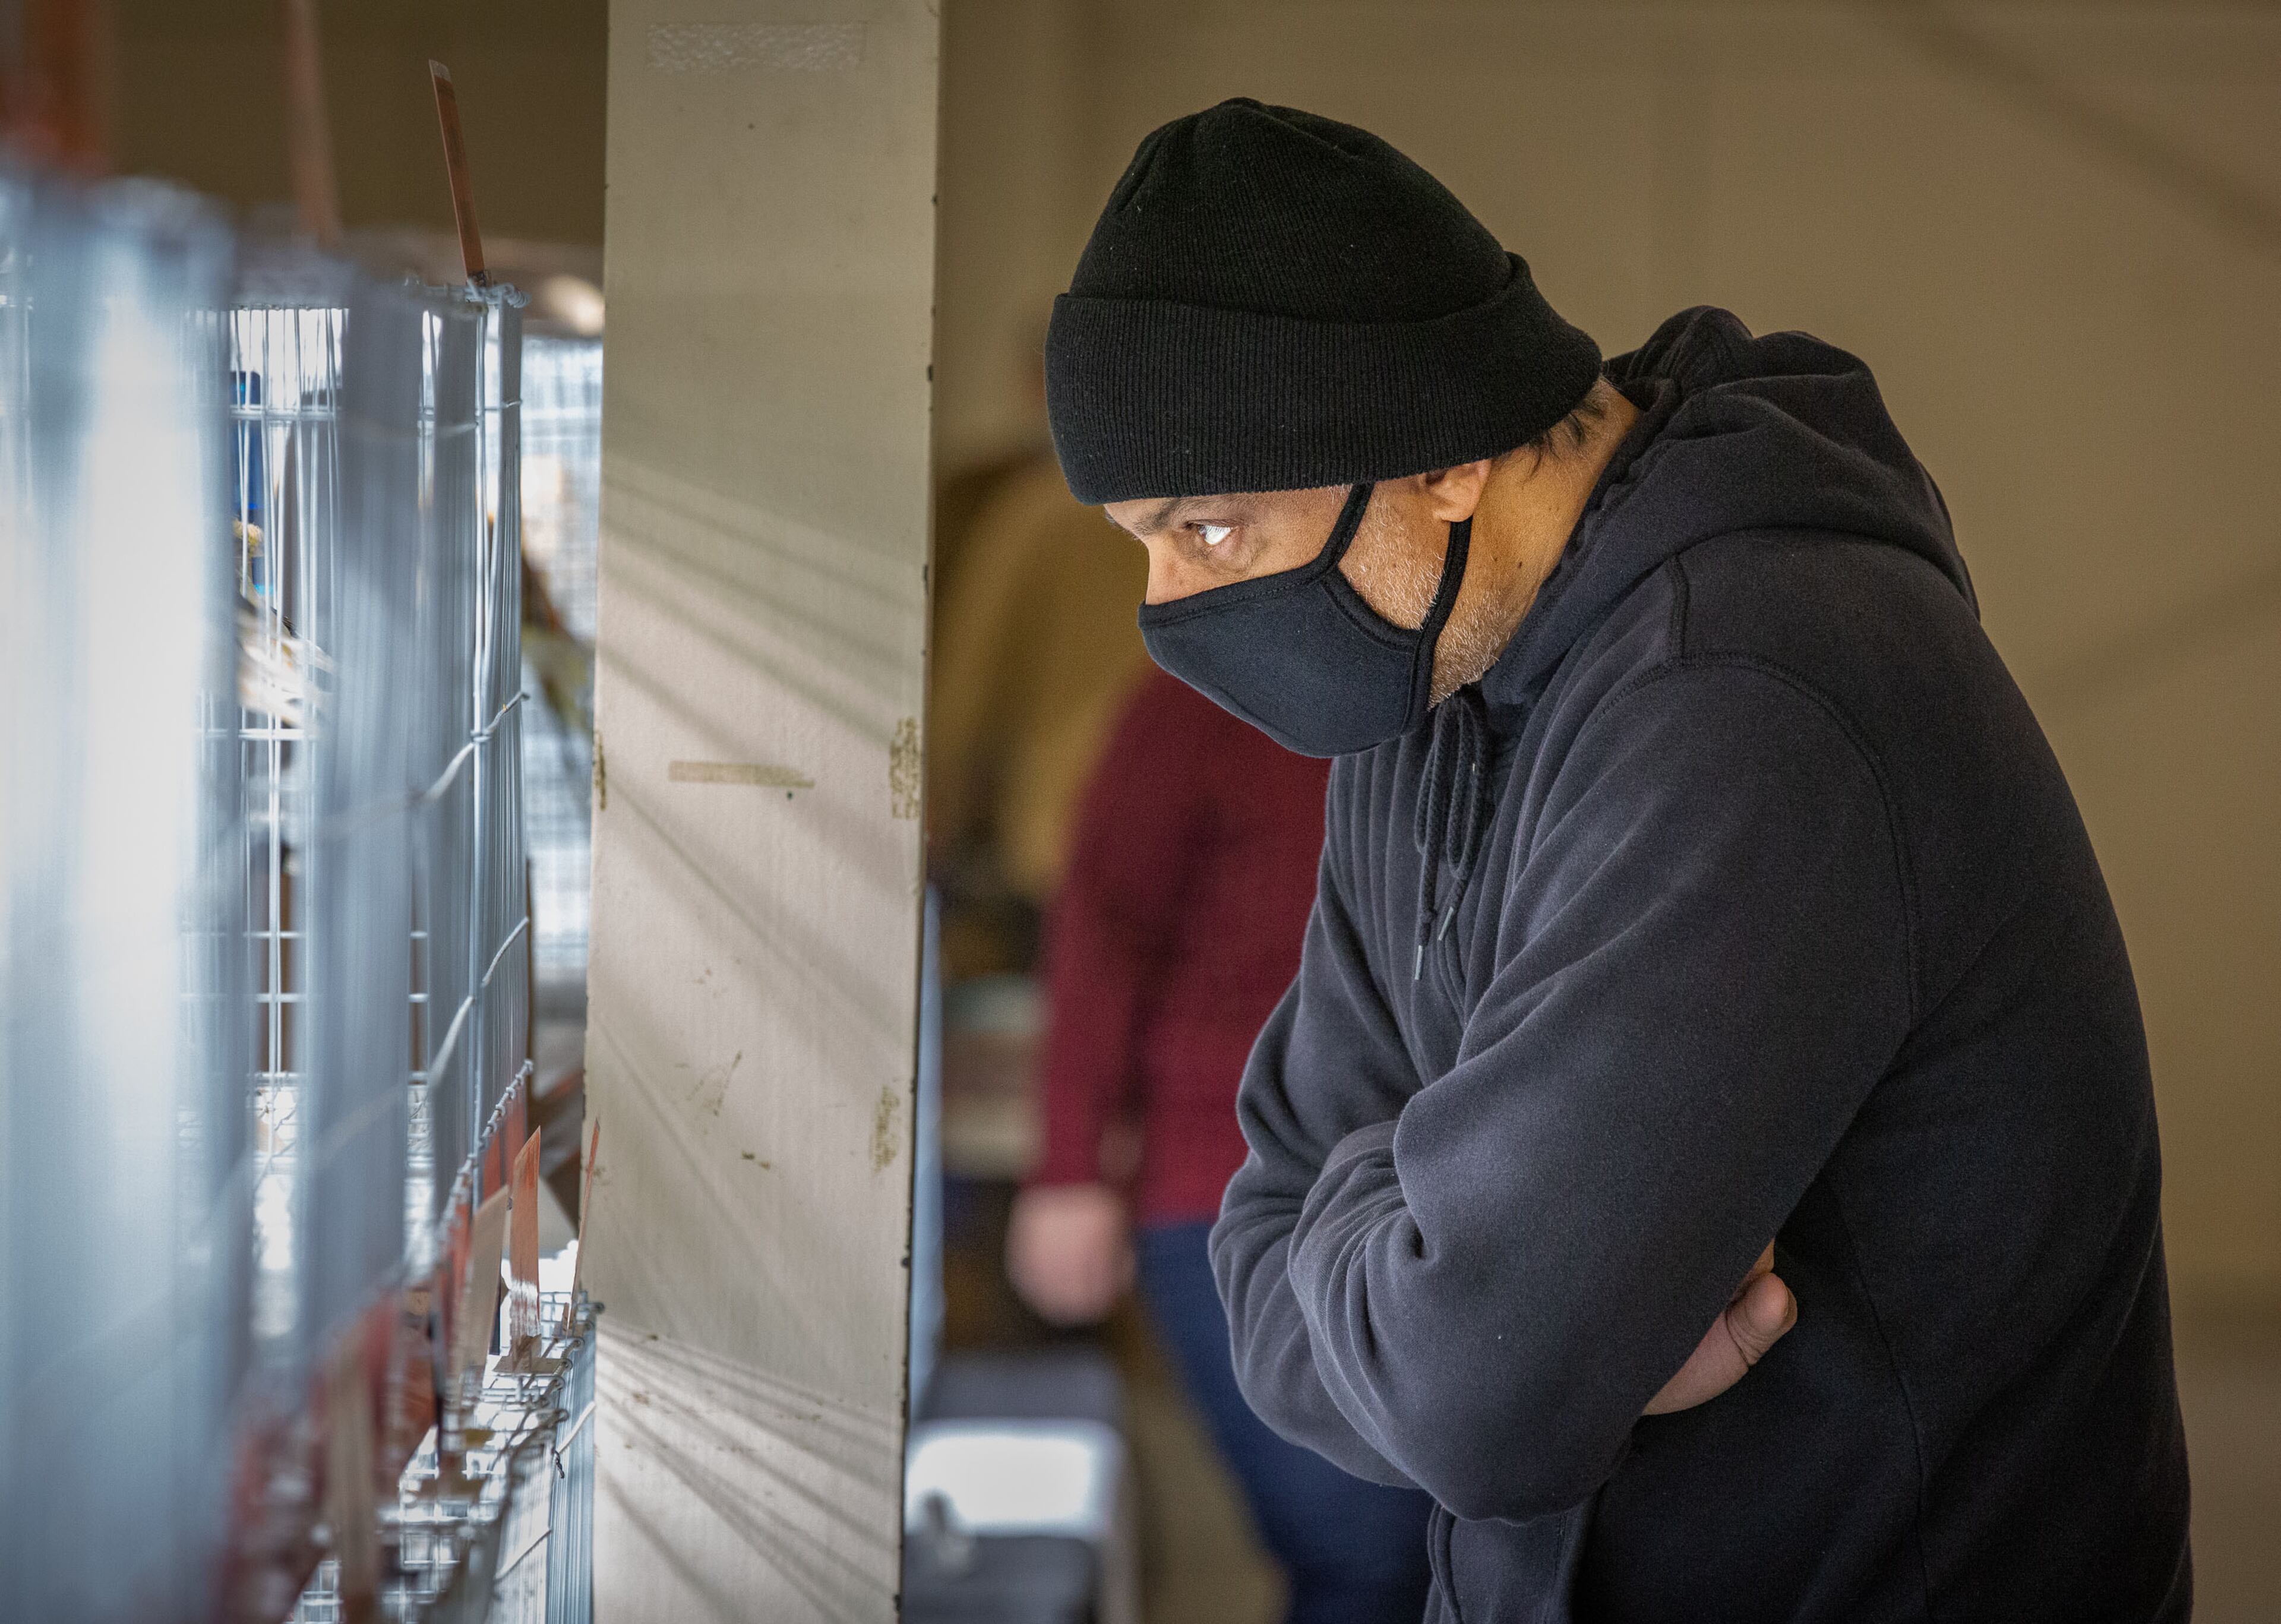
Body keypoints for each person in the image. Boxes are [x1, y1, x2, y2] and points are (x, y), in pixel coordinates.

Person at [1040, 100, 2191, 1622]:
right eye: (1143, 541)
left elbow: (1473, 1389)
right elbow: (1265, 1238)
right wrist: (1445, 1246)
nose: (1169, 602)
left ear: (1441, 456)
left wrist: (1426, 1233)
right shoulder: (1426, 683)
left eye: (1210, 529)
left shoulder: (1754, 697)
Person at [1009, 666, 1433, 1623]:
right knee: (1363, 1554)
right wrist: (1069, 1168)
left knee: (1421, 1556)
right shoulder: (1199, 701)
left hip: (1430, 1189)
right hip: (1229, 1189)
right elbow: (1102, 920)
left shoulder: (1459, 699)